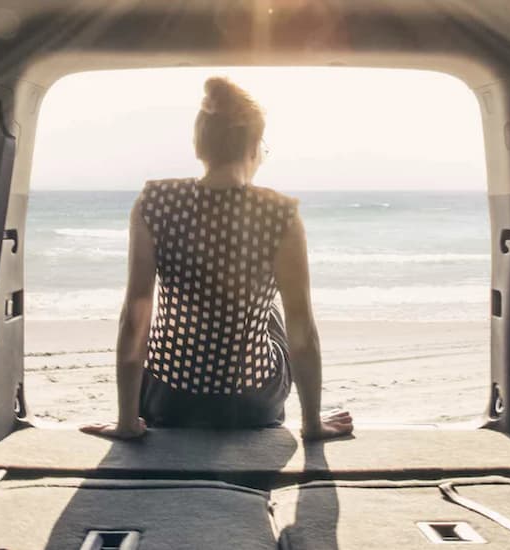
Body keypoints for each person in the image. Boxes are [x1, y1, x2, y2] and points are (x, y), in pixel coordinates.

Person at [81, 77, 353, 441]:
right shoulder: (280, 212)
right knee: (275, 311)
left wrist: (127, 421)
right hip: (251, 402)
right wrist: (313, 423)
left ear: (199, 145)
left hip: (167, 398)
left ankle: (141, 411)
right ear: (255, 147)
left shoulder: (155, 200)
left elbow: (136, 315)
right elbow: (302, 327)